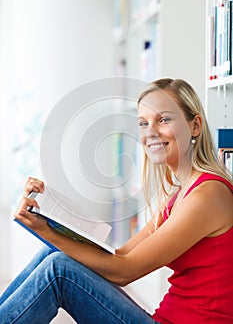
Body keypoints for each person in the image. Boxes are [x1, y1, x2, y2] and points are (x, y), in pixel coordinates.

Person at [0, 78, 233, 324]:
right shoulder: (179, 195)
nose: (151, 131)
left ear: (195, 125)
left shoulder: (208, 194)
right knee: (53, 251)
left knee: (59, 270)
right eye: (143, 123)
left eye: (164, 119)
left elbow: (125, 270)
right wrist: (48, 213)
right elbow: (121, 254)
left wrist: (47, 232)